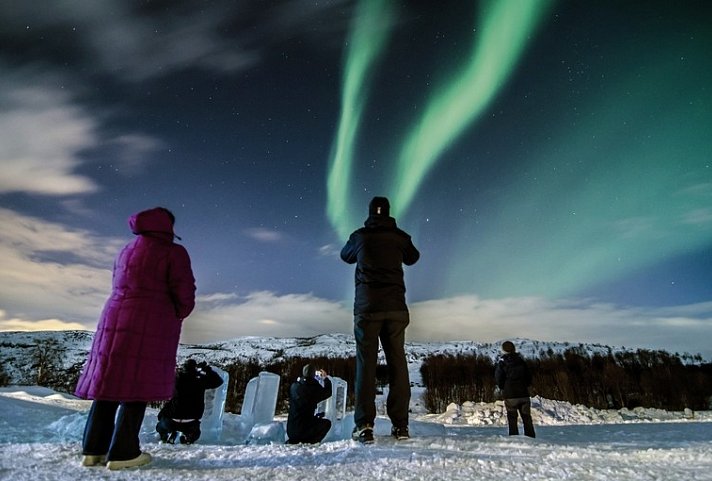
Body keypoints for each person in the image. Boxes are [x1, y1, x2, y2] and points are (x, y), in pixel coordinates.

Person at [75, 207, 196, 470]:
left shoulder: (126, 250)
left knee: (109, 383)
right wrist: (177, 312)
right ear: (167, 226)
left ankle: (93, 450)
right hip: (150, 320)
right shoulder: (173, 252)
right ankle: (123, 453)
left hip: (113, 317)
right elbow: (184, 291)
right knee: (137, 385)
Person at [340, 196, 420, 443]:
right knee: (398, 362)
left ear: (370, 213)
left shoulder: (360, 236)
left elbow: (345, 256)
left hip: (367, 309)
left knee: (366, 365)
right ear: (388, 212)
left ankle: (364, 425)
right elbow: (413, 257)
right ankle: (401, 426)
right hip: (395, 308)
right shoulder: (400, 237)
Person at [156, 359, 224, 444]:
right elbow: (219, 381)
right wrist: (206, 369)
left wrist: (162, 414)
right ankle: (188, 437)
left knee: (161, 426)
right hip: (191, 420)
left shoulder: (175, 379)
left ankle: (167, 434)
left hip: (172, 417)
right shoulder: (200, 380)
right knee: (195, 433)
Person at [494, 341, 536, 438]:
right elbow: (528, 376)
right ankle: (530, 436)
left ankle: (514, 436)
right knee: (526, 417)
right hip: (523, 393)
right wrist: (527, 385)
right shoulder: (521, 361)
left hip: (510, 394)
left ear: (504, 350)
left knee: (512, 417)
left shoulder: (502, 362)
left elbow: (498, 377)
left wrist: (502, 387)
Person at [286, 364, 333, 444]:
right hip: (304, 430)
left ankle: (295, 439)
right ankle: (310, 441)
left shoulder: (294, 387)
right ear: (313, 374)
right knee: (327, 423)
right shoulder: (314, 388)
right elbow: (328, 392)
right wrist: (325, 378)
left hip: (291, 430)